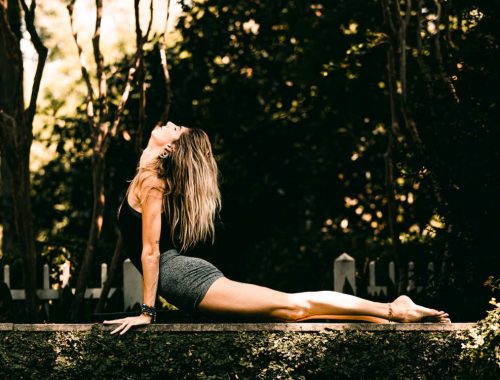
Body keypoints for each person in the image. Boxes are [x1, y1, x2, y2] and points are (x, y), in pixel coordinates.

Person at [104, 121, 450, 335]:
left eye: (175, 130)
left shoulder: (151, 181)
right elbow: (146, 245)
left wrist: (147, 314)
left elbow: (150, 250)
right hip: (178, 277)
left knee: (292, 307)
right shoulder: (148, 174)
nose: (170, 124)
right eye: (175, 127)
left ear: (172, 147)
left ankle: (393, 309)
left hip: (182, 277)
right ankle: (385, 316)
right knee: (291, 311)